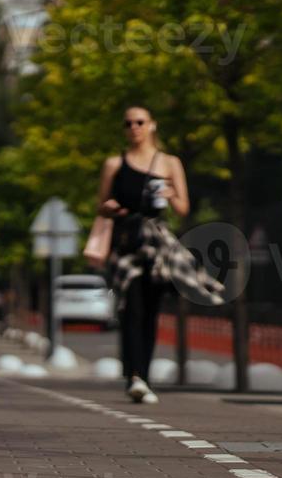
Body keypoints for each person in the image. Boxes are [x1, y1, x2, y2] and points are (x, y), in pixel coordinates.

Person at [95, 105, 222, 404]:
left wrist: (170, 194)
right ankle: (135, 376)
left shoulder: (169, 163)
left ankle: (144, 377)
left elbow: (183, 208)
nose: (134, 127)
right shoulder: (114, 164)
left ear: (152, 125)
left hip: (157, 244)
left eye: (139, 122)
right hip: (126, 242)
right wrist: (110, 208)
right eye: (128, 123)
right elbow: (101, 205)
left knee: (150, 311)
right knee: (131, 307)